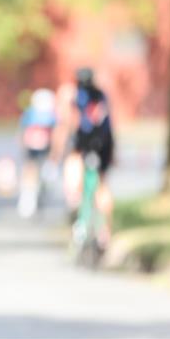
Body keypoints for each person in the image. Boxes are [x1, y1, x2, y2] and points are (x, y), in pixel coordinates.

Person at [51, 67, 115, 246]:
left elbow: (65, 125)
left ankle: (76, 207)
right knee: (102, 186)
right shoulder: (101, 95)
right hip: (103, 145)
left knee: (73, 169)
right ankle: (104, 233)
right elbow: (109, 124)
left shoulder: (72, 96)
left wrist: (56, 154)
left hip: (81, 144)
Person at [17, 88, 57, 218]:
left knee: (41, 173)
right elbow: (23, 131)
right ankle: (29, 198)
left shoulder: (49, 115)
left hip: (44, 148)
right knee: (31, 171)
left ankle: (36, 195)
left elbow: (54, 132)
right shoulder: (31, 113)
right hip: (33, 147)